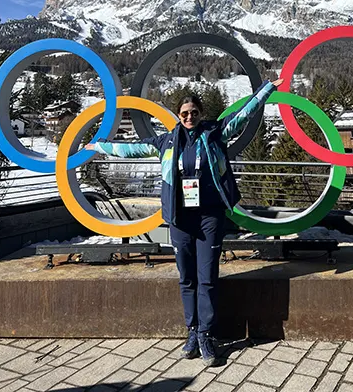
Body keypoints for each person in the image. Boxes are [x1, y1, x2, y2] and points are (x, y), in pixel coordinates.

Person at [86, 77, 283, 366]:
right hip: (180, 218)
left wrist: (268, 88)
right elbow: (132, 149)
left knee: (208, 278)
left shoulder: (215, 133)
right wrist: (100, 147)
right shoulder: (166, 141)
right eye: (184, 113)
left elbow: (244, 114)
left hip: (209, 218)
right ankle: (191, 331)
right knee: (187, 278)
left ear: (201, 114)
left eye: (194, 112)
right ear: (178, 116)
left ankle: (206, 334)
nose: (190, 117)